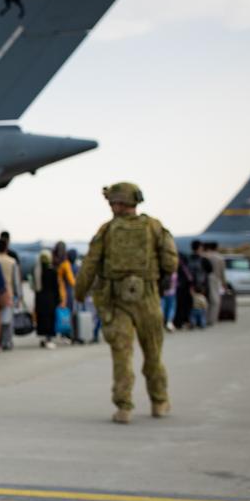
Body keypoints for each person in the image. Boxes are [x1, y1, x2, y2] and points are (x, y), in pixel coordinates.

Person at [75, 182, 177, 424]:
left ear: (116, 203)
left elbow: (90, 265)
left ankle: (124, 407)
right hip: (147, 297)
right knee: (153, 354)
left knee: (122, 355)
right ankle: (159, 402)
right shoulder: (154, 227)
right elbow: (171, 263)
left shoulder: (107, 231)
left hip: (115, 300)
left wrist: (79, 293)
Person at [0, 238, 22, 351]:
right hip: (8, 292)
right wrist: (19, 295)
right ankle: (7, 342)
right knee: (8, 319)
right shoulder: (12, 261)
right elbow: (16, 281)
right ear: (7, 247)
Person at [33, 250, 59, 348]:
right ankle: (49, 339)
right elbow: (56, 287)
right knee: (50, 319)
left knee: (42, 319)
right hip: (50, 298)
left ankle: (43, 338)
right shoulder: (53, 271)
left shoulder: (36, 270)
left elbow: (35, 286)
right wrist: (58, 299)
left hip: (40, 298)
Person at [203, 242, 227, 325]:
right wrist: (224, 283)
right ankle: (212, 319)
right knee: (215, 300)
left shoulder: (204, 256)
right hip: (215, 279)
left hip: (203, 280)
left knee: (205, 299)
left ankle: (204, 318)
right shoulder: (219, 258)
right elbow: (222, 272)